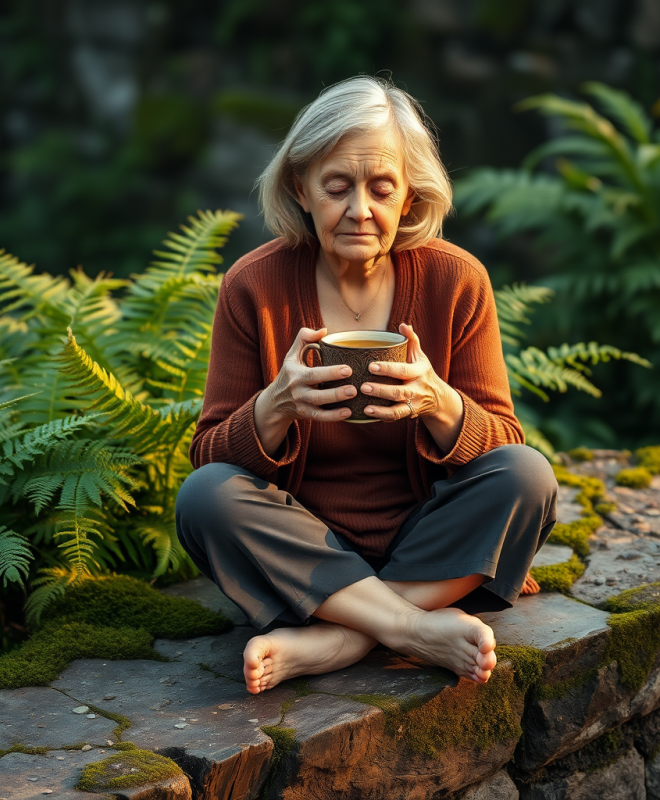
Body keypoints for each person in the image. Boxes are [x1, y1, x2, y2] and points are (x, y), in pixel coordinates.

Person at [175, 76, 558, 695]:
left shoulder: (457, 281)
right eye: (336, 187)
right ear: (300, 187)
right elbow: (208, 455)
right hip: (303, 540)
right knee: (204, 497)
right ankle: (411, 626)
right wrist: (274, 407)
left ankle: (339, 636)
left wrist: (439, 402)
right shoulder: (253, 286)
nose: (360, 210)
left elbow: (505, 442)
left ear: (409, 196)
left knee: (528, 475)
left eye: (382, 188)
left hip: (426, 536)